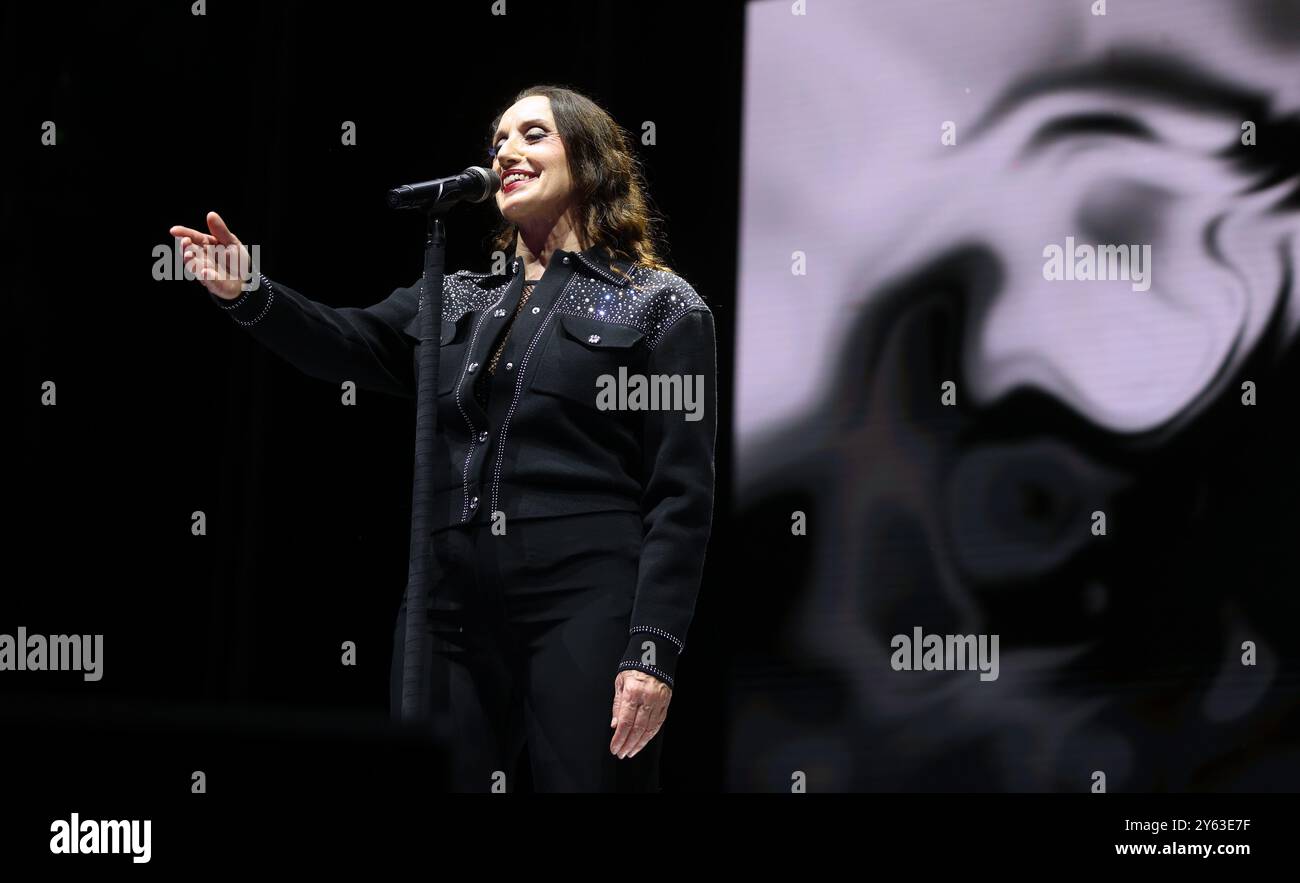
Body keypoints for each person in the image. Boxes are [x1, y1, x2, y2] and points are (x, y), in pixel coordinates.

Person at [169, 84, 717, 793]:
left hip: (584, 598)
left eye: (531, 135)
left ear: (587, 159)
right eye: (496, 142)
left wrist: (652, 652)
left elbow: (682, 497)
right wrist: (251, 293)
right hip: (448, 607)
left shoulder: (661, 305)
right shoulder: (458, 294)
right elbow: (346, 340)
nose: (506, 152)